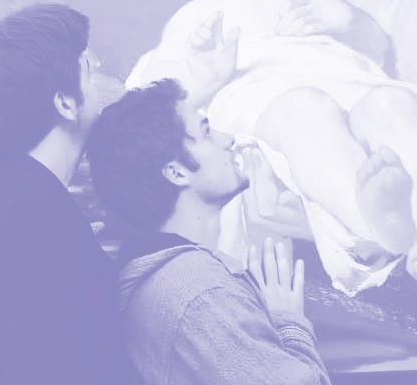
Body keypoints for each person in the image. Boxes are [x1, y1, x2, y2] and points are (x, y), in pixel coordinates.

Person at [127, 0, 417, 288]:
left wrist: (348, 20)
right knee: (306, 110)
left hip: (353, 88)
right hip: (277, 114)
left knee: (391, 104)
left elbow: (377, 49)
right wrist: (201, 74)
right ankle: (372, 222)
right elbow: (149, 92)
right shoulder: (194, 18)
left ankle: (411, 219)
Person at [87, 79, 331, 384]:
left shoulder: (172, 278)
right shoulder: (200, 292)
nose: (228, 139)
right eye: (206, 133)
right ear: (176, 172)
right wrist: (288, 321)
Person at [0, 3, 134, 385]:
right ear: (65, 102)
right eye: (90, 71)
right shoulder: (26, 212)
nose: (104, 84)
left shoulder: (14, 197)